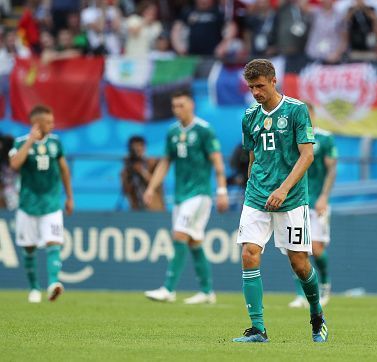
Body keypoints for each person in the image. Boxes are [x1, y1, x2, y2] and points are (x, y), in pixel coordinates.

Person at [233, 59, 328, 343]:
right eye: (251, 87)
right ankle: (258, 329)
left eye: (260, 86)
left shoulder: (297, 111)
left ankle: (317, 314)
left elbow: (307, 156)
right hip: (257, 196)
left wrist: (284, 189)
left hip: (291, 198)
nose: (256, 92)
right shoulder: (249, 115)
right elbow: (253, 156)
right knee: (249, 253)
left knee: (299, 263)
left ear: (273, 81)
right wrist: (251, 186)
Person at [143, 89, 229, 304]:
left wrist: (221, 190)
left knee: (179, 234)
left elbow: (217, 161)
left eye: (181, 105)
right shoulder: (172, 132)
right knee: (194, 241)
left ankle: (168, 289)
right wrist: (151, 188)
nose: (177, 110)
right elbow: (165, 162)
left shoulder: (203, 130)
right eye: (174, 106)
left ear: (191, 105)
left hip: (199, 194)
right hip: (181, 195)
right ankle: (208, 292)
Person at [8, 105, 74, 303]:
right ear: (36, 123)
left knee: (54, 242)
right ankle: (34, 288)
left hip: (51, 203)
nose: (52, 125)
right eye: (48, 122)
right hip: (28, 204)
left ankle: (53, 283)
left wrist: (70, 197)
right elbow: (14, 165)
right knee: (29, 248)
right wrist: (30, 141)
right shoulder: (20, 142)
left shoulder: (56, 143)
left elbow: (64, 170)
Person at [289, 102, 338, 309]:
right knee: (297, 249)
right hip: (297, 200)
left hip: (317, 200)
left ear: (313, 115)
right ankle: (301, 294)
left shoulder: (325, 138)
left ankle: (326, 284)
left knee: (316, 249)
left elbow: (332, 169)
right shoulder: (291, 138)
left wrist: (324, 196)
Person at [121, 135, 164, 211]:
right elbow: (126, 191)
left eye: (139, 147)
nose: (137, 151)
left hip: (155, 209)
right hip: (137, 209)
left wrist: (142, 171)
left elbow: (157, 183)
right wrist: (128, 171)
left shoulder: (152, 163)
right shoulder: (127, 169)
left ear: (144, 148)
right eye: (134, 149)